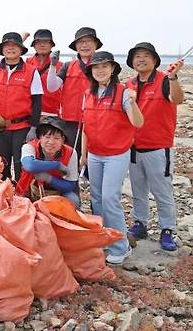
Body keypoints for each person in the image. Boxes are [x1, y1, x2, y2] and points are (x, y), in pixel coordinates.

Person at [80, 51, 144, 265]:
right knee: (96, 198)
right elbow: (86, 127)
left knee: (109, 198)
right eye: (96, 67)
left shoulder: (125, 93)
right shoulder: (88, 94)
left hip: (117, 154)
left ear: (113, 69)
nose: (100, 70)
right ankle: (105, 239)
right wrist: (83, 154)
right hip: (95, 155)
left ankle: (121, 245)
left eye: (104, 66)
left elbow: (138, 123)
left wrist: (133, 102)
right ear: (91, 72)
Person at [125, 42, 185, 251]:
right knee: (138, 190)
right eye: (137, 56)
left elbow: (177, 99)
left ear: (154, 60)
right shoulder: (129, 84)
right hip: (133, 148)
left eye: (146, 55)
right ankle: (140, 223)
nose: (141, 59)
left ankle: (167, 229)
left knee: (162, 191)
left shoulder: (164, 80)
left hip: (159, 148)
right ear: (132, 62)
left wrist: (174, 77)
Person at [0, 32, 43, 179]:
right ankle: (3, 197)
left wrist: (34, 127)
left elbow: (37, 101)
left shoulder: (31, 71)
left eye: (15, 46)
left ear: (21, 49)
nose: (11, 48)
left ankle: (21, 198)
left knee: (22, 166)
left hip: (22, 127)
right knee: (1, 165)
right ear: (2, 49)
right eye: (7, 46)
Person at [47, 27, 102, 152]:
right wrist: (53, 65)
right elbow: (52, 87)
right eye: (81, 42)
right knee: (71, 156)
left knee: (92, 156)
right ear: (76, 46)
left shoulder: (102, 67)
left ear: (96, 45)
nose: (85, 45)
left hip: (96, 120)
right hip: (70, 121)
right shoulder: (68, 66)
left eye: (89, 41)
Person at [17, 117, 80, 208]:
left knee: (73, 200)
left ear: (63, 140)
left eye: (56, 138)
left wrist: (48, 178)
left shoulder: (71, 153)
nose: (51, 142)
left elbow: (70, 186)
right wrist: (56, 165)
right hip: (30, 191)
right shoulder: (29, 147)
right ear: (40, 138)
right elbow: (29, 166)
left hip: (58, 191)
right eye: (47, 137)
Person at [26, 29, 62, 117]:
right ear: (34, 46)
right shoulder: (27, 63)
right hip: (29, 112)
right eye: (38, 42)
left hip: (51, 113)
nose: (42, 44)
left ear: (51, 45)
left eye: (46, 41)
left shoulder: (61, 65)